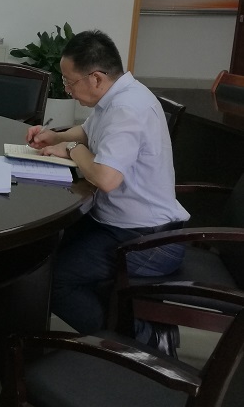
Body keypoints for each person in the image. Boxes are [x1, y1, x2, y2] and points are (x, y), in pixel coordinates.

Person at [25, 29, 189, 355]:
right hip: (121, 223)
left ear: (96, 78)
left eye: (69, 82)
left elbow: (106, 177)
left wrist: (71, 149)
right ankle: (126, 322)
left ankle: (141, 342)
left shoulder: (128, 109)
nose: (67, 89)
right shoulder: (115, 97)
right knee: (44, 251)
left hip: (148, 239)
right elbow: (87, 132)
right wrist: (55, 137)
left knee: (54, 280)